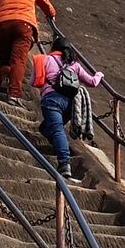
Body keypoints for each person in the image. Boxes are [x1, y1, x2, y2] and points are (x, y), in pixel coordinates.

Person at [30, 37, 103, 179]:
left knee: (57, 129)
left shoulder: (44, 60)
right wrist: (99, 74)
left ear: (53, 48)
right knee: (45, 128)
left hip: (52, 100)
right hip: (71, 105)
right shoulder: (74, 64)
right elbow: (92, 82)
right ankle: (60, 145)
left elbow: (34, 81)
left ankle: (64, 162)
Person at [0, 0, 55, 102]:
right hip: (23, 24)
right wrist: (52, 14)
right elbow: (46, 4)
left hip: (1, 24)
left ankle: (4, 80)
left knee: (4, 58)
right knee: (18, 59)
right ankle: (14, 93)